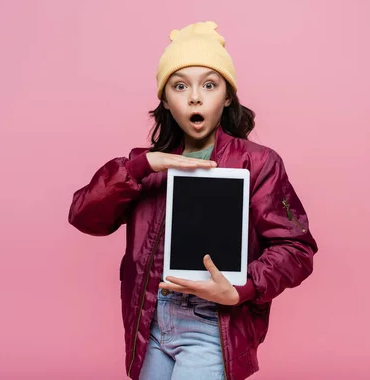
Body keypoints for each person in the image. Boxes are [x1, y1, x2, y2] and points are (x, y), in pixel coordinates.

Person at [68, 21, 318, 380]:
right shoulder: (144, 167)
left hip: (212, 323)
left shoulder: (259, 163)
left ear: (227, 96)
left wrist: (242, 288)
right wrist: (139, 166)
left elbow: (297, 248)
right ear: (166, 101)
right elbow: (83, 216)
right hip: (152, 319)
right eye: (180, 86)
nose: (195, 97)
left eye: (210, 85)